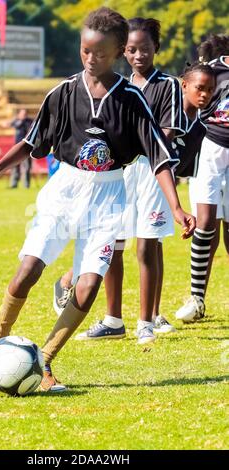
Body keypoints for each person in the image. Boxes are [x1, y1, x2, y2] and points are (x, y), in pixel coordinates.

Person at [0, 7, 195, 392]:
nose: (90, 58)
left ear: (117, 51)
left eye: (99, 52)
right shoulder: (64, 92)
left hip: (109, 196)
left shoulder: (132, 99)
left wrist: (178, 207)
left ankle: (44, 362)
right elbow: (32, 141)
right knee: (28, 269)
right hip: (64, 189)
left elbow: (160, 157)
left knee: (87, 285)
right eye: (85, 50)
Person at [54, 17, 186, 344]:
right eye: (131, 49)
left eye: (144, 48)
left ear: (157, 47)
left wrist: (139, 143)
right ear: (121, 52)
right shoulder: (118, 88)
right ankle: (113, 319)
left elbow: (165, 132)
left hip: (153, 171)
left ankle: (146, 320)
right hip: (119, 173)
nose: (138, 55)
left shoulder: (167, 85)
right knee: (112, 243)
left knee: (147, 245)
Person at [176, 34, 229, 322]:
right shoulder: (214, 68)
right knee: (206, 222)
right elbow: (191, 91)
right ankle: (197, 298)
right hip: (210, 147)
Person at [3, 109, 33, 189]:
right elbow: (6, 124)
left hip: (27, 147)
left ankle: (26, 185)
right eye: (22, 113)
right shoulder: (16, 121)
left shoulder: (29, 121)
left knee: (27, 167)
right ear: (19, 114)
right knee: (14, 165)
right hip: (17, 147)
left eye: (25, 113)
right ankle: (14, 184)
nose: (24, 115)